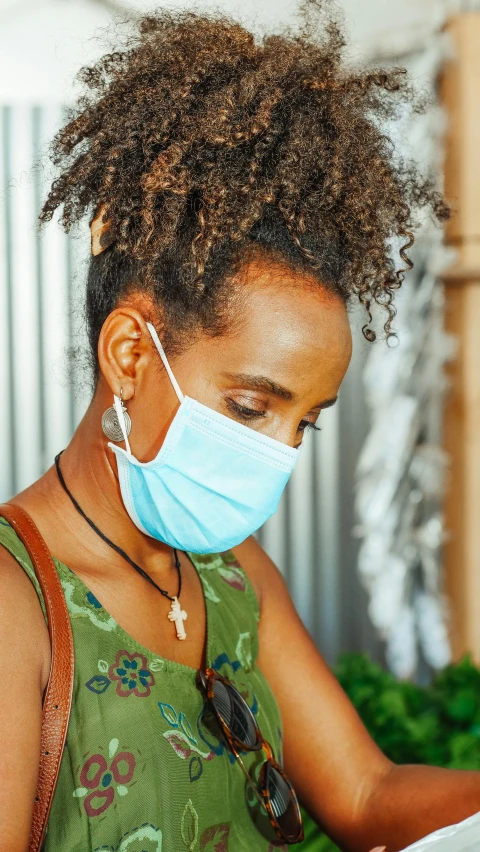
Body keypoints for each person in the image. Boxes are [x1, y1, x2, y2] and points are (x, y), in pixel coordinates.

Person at [1, 5, 479, 852]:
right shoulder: (15, 605)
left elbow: (366, 796)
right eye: (252, 408)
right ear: (130, 355)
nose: (278, 456)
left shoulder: (234, 575)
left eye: (307, 424)